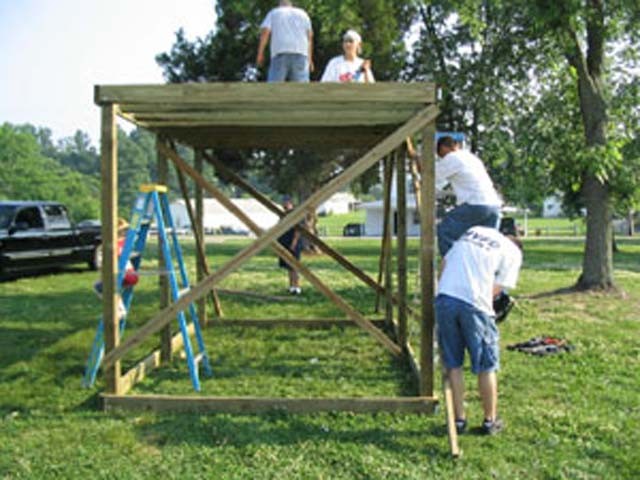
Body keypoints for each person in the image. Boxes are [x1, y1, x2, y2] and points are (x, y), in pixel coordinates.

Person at [435, 225, 523, 435]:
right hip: (475, 305)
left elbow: (444, 264)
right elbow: (499, 288)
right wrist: (486, 301)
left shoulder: (473, 231)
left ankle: (458, 420)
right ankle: (489, 421)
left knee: (453, 363)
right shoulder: (513, 253)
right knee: (486, 365)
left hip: (445, 298)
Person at [436, 135, 502, 258]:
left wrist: (419, 162)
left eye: (441, 155)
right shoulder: (471, 158)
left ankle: (453, 265)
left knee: (445, 231)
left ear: (445, 148)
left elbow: (431, 174)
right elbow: (441, 182)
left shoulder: (452, 157)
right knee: (486, 245)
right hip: (494, 205)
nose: (442, 159)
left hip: (476, 204)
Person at [257, 0, 314, 83]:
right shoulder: (303, 14)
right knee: (301, 91)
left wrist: (260, 54)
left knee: (274, 90)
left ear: (280, 3)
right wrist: (310, 59)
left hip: (280, 53)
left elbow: (265, 33)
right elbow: (309, 38)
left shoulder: (274, 13)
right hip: (300, 54)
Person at [93, 218, 139, 317]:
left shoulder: (111, 245)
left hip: (124, 275)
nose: (124, 233)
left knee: (101, 287)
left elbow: (102, 265)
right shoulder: (126, 243)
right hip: (132, 275)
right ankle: (118, 308)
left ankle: (119, 309)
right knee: (111, 288)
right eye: (123, 231)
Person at [277, 196, 303, 294]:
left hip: (293, 243)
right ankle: (291, 286)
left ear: (290, 203)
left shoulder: (295, 214)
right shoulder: (283, 215)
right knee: (289, 267)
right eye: (283, 203)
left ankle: (297, 287)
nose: (284, 205)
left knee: (294, 266)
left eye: (285, 203)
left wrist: (294, 243)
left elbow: (297, 230)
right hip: (284, 242)